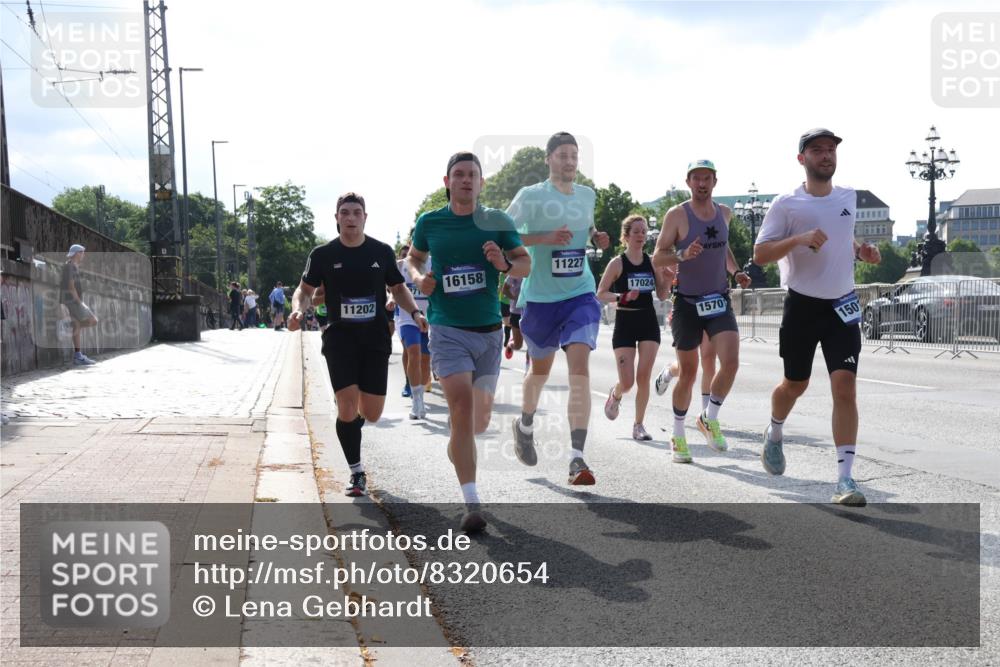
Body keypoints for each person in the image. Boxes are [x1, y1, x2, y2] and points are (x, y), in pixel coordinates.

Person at [753, 128, 881, 506]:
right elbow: (760, 254)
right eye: (817, 150)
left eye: (830, 150)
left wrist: (861, 252)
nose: (826, 155)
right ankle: (775, 432)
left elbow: (843, 238)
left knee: (845, 386)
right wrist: (798, 239)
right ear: (802, 159)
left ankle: (845, 479)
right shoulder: (786, 204)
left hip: (842, 306)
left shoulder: (848, 197)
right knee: (795, 384)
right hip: (803, 306)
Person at [407, 151, 530, 532]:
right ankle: (472, 501)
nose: (465, 180)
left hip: (489, 332)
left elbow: (525, 263)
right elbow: (414, 259)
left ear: (481, 183)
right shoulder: (430, 222)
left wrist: (503, 264)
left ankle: (458, 446)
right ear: (447, 182)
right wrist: (419, 278)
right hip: (447, 330)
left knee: (478, 420)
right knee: (460, 408)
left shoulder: (498, 221)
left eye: (472, 175)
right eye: (458, 174)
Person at [289, 193, 428, 498]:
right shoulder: (323, 254)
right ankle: (356, 471)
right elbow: (305, 289)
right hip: (339, 338)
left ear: (365, 217)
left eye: (356, 212)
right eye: (345, 212)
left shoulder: (381, 251)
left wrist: (415, 312)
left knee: (372, 412)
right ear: (337, 218)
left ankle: (350, 421)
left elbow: (398, 288)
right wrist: (298, 310)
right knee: (347, 405)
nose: (350, 217)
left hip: (375, 338)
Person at [507, 132, 610, 485]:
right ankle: (525, 424)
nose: (569, 161)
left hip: (580, 293)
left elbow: (588, 227)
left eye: (574, 155)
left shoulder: (587, 195)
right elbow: (507, 236)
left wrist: (596, 237)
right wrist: (544, 238)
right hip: (541, 298)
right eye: (562, 155)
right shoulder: (531, 196)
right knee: (539, 372)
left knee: (579, 370)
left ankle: (577, 458)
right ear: (548, 159)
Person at [651, 160, 750, 463]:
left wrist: (736, 272)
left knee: (730, 363)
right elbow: (658, 257)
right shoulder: (677, 215)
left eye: (707, 178)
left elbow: (723, 248)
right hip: (688, 303)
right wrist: (682, 255)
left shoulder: (724, 213)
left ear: (715, 182)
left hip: (718, 299)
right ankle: (678, 433)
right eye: (697, 178)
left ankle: (709, 417)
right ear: (688, 182)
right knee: (689, 372)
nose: (702, 183)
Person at [596, 215, 672, 441]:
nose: (641, 235)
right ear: (626, 236)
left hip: (648, 321)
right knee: (628, 382)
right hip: (625, 323)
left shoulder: (652, 262)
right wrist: (622, 296)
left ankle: (638, 425)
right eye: (636, 231)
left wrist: (667, 280)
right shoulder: (617, 263)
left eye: (644, 231)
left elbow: (662, 295)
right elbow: (600, 293)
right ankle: (616, 393)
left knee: (643, 377)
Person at [395, 243, 433, 417]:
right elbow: (394, 289)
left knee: (425, 361)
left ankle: (420, 393)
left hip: (430, 318)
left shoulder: (434, 262)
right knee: (413, 353)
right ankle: (416, 399)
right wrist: (390, 299)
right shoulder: (400, 265)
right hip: (407, 318)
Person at [60, 244, 99, 365]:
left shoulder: (73, 267)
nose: (83, 255)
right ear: (76, 253)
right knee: (94, 320)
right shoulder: (70, 267)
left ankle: (78, 356)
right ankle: (70, 326)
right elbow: (71, 287)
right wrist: (80, 302)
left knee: (77, 325)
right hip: (73, 301)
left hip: (71, 301)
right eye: (82, 252)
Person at [502, 274, 525, 365]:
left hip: (532, 310)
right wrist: (515, 298)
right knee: (518, 345)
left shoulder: (536, 271)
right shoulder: (516, 272)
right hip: (516, 311)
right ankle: (511, 344)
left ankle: (529, 366)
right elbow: (505, 289)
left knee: (533, 343)